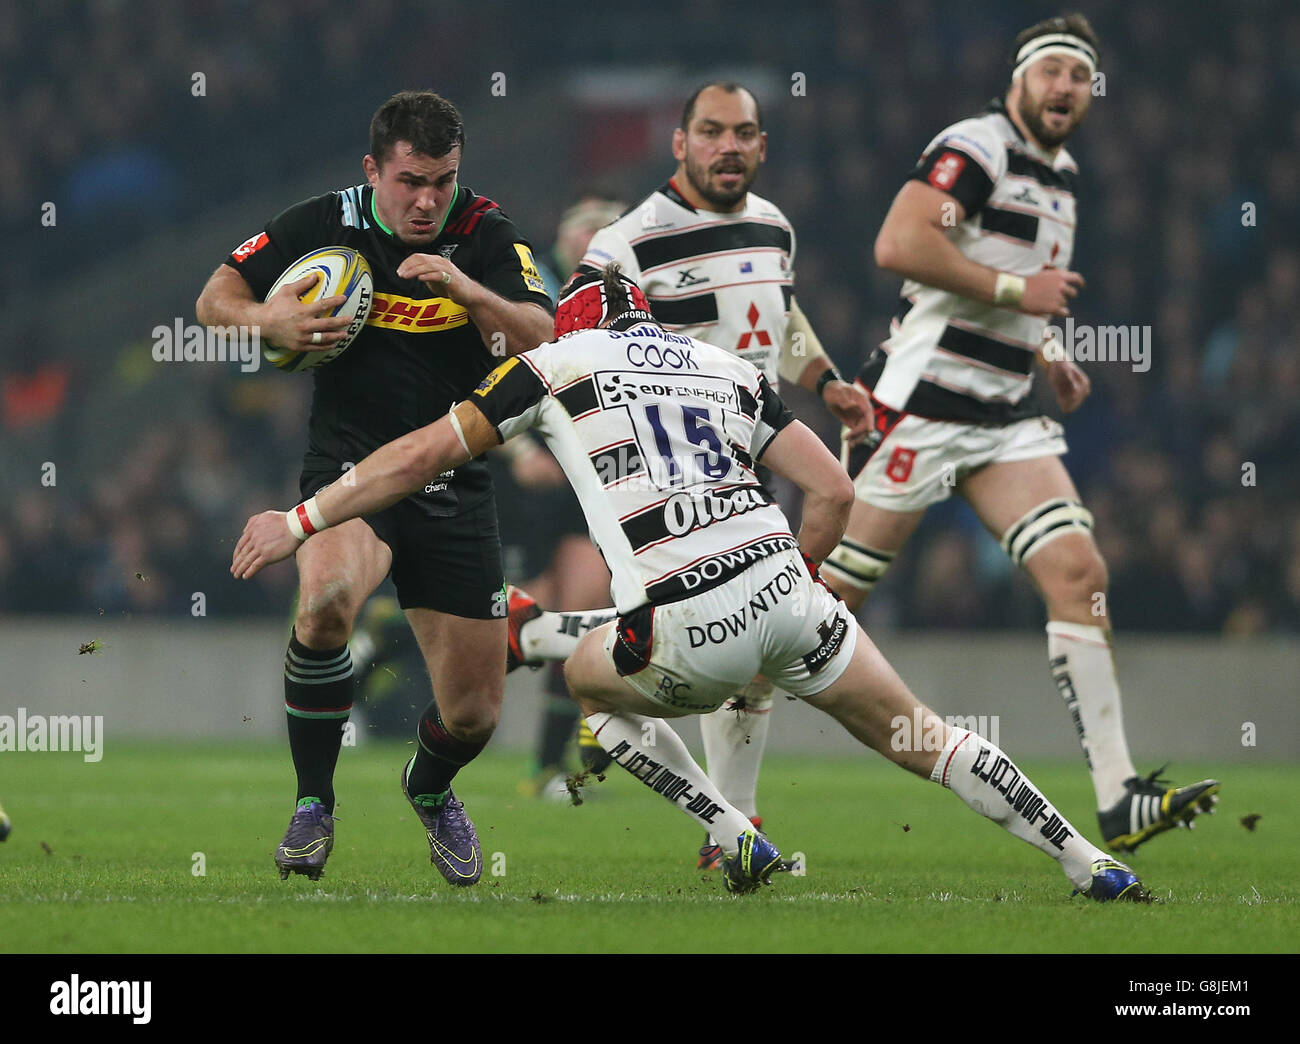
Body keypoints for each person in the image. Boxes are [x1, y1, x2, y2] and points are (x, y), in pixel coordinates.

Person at [232, 264, 1148, 902]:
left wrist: (303, 519)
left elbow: (420, 455)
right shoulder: (728, 370)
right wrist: (802, 581)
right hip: (794, 599)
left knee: (589, 687)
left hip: (685, 626)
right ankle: (1089, 861)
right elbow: (832, 487)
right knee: (928, 740)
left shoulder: (556, 362)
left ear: (580, 325)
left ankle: (728, 828)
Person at [817, 14, 1218, 852]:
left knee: (1079, 569)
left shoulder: (1062, 179)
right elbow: (901, 242)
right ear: (1019, 78)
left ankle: (1119, 797)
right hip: (918, 407)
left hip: (1004, 419)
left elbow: (1015, 288)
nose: (1066, 87)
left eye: (1080, 75)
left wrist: (1050, 351)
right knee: (809, 615)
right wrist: (1016, 298)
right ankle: (720, 797)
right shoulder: (978, 145)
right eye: (1053, 72)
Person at [504, 82, 876, 866]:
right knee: (712, 629)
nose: (727, 145)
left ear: (762, 145)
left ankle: (731, 823)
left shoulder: (775, 227)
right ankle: (543, 648)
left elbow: (780, 314)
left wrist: (830, 379)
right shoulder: (628, 238)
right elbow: (570, 336)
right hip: (669, 474)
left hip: (759, 451)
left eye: (743, 132)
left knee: (755, 647)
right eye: (710, 131)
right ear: (680, 143)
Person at [196, 90, 554, 885]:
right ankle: (313, 803)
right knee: (323, 603)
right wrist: (267, 323)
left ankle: (429, 790)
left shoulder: (489, 234)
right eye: (410, 181)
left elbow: (544, 337)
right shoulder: (324, 222)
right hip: (350, 477)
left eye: (443, 180)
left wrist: (469, 291)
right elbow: (212, 298)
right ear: (374, 169)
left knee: (473, 715)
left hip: (455, 482)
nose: (428, 199)